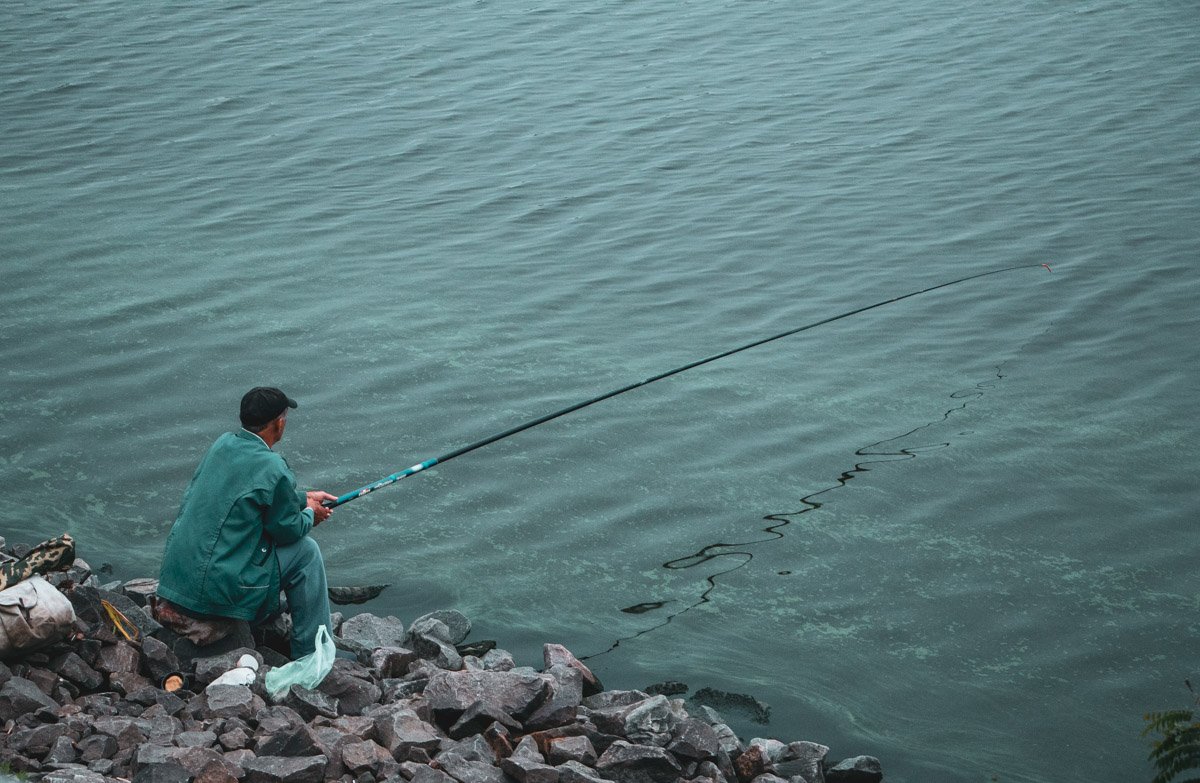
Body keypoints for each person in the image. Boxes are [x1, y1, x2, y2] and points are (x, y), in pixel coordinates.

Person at [157, 387, 338, 659]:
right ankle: (314, 653)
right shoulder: (274, 467)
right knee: (307, 552)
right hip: (215, 596)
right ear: (279, 422)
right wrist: (311, 515)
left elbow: (248, 496)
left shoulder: (222, 445)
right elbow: (286, 530)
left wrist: (302, 499)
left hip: (177, 586)